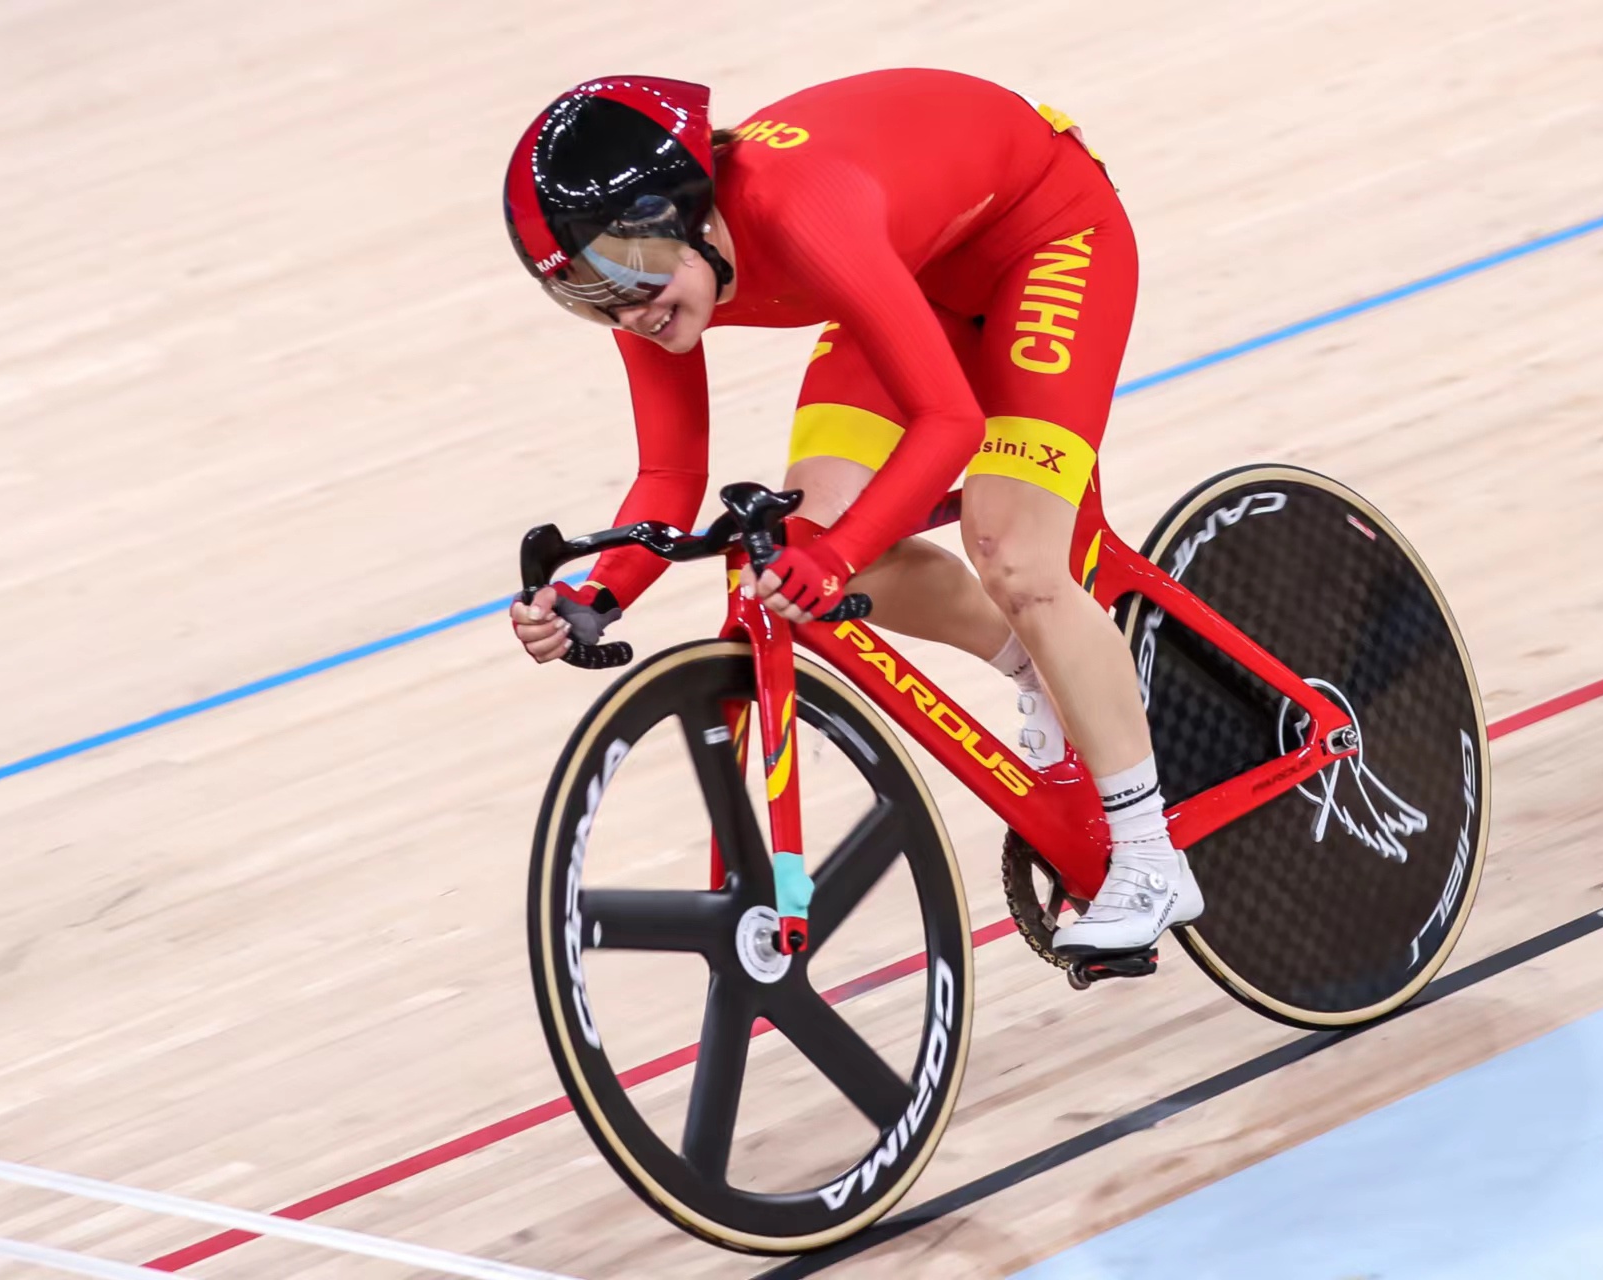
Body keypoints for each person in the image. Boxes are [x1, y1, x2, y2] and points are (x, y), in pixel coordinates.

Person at [502, 69, 1199, 954]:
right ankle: (1047, 668)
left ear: (688, 214)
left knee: (1011, 549)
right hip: (911, 270)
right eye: (584, 291)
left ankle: (1150, 857)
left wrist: (836, 559)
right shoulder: (645, 290)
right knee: (805, 543)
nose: (626, 310)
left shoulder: (799, 214)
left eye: (630, 273)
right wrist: (595, 598)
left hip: (1042, 235)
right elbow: (670, 473)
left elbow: (951, 424)